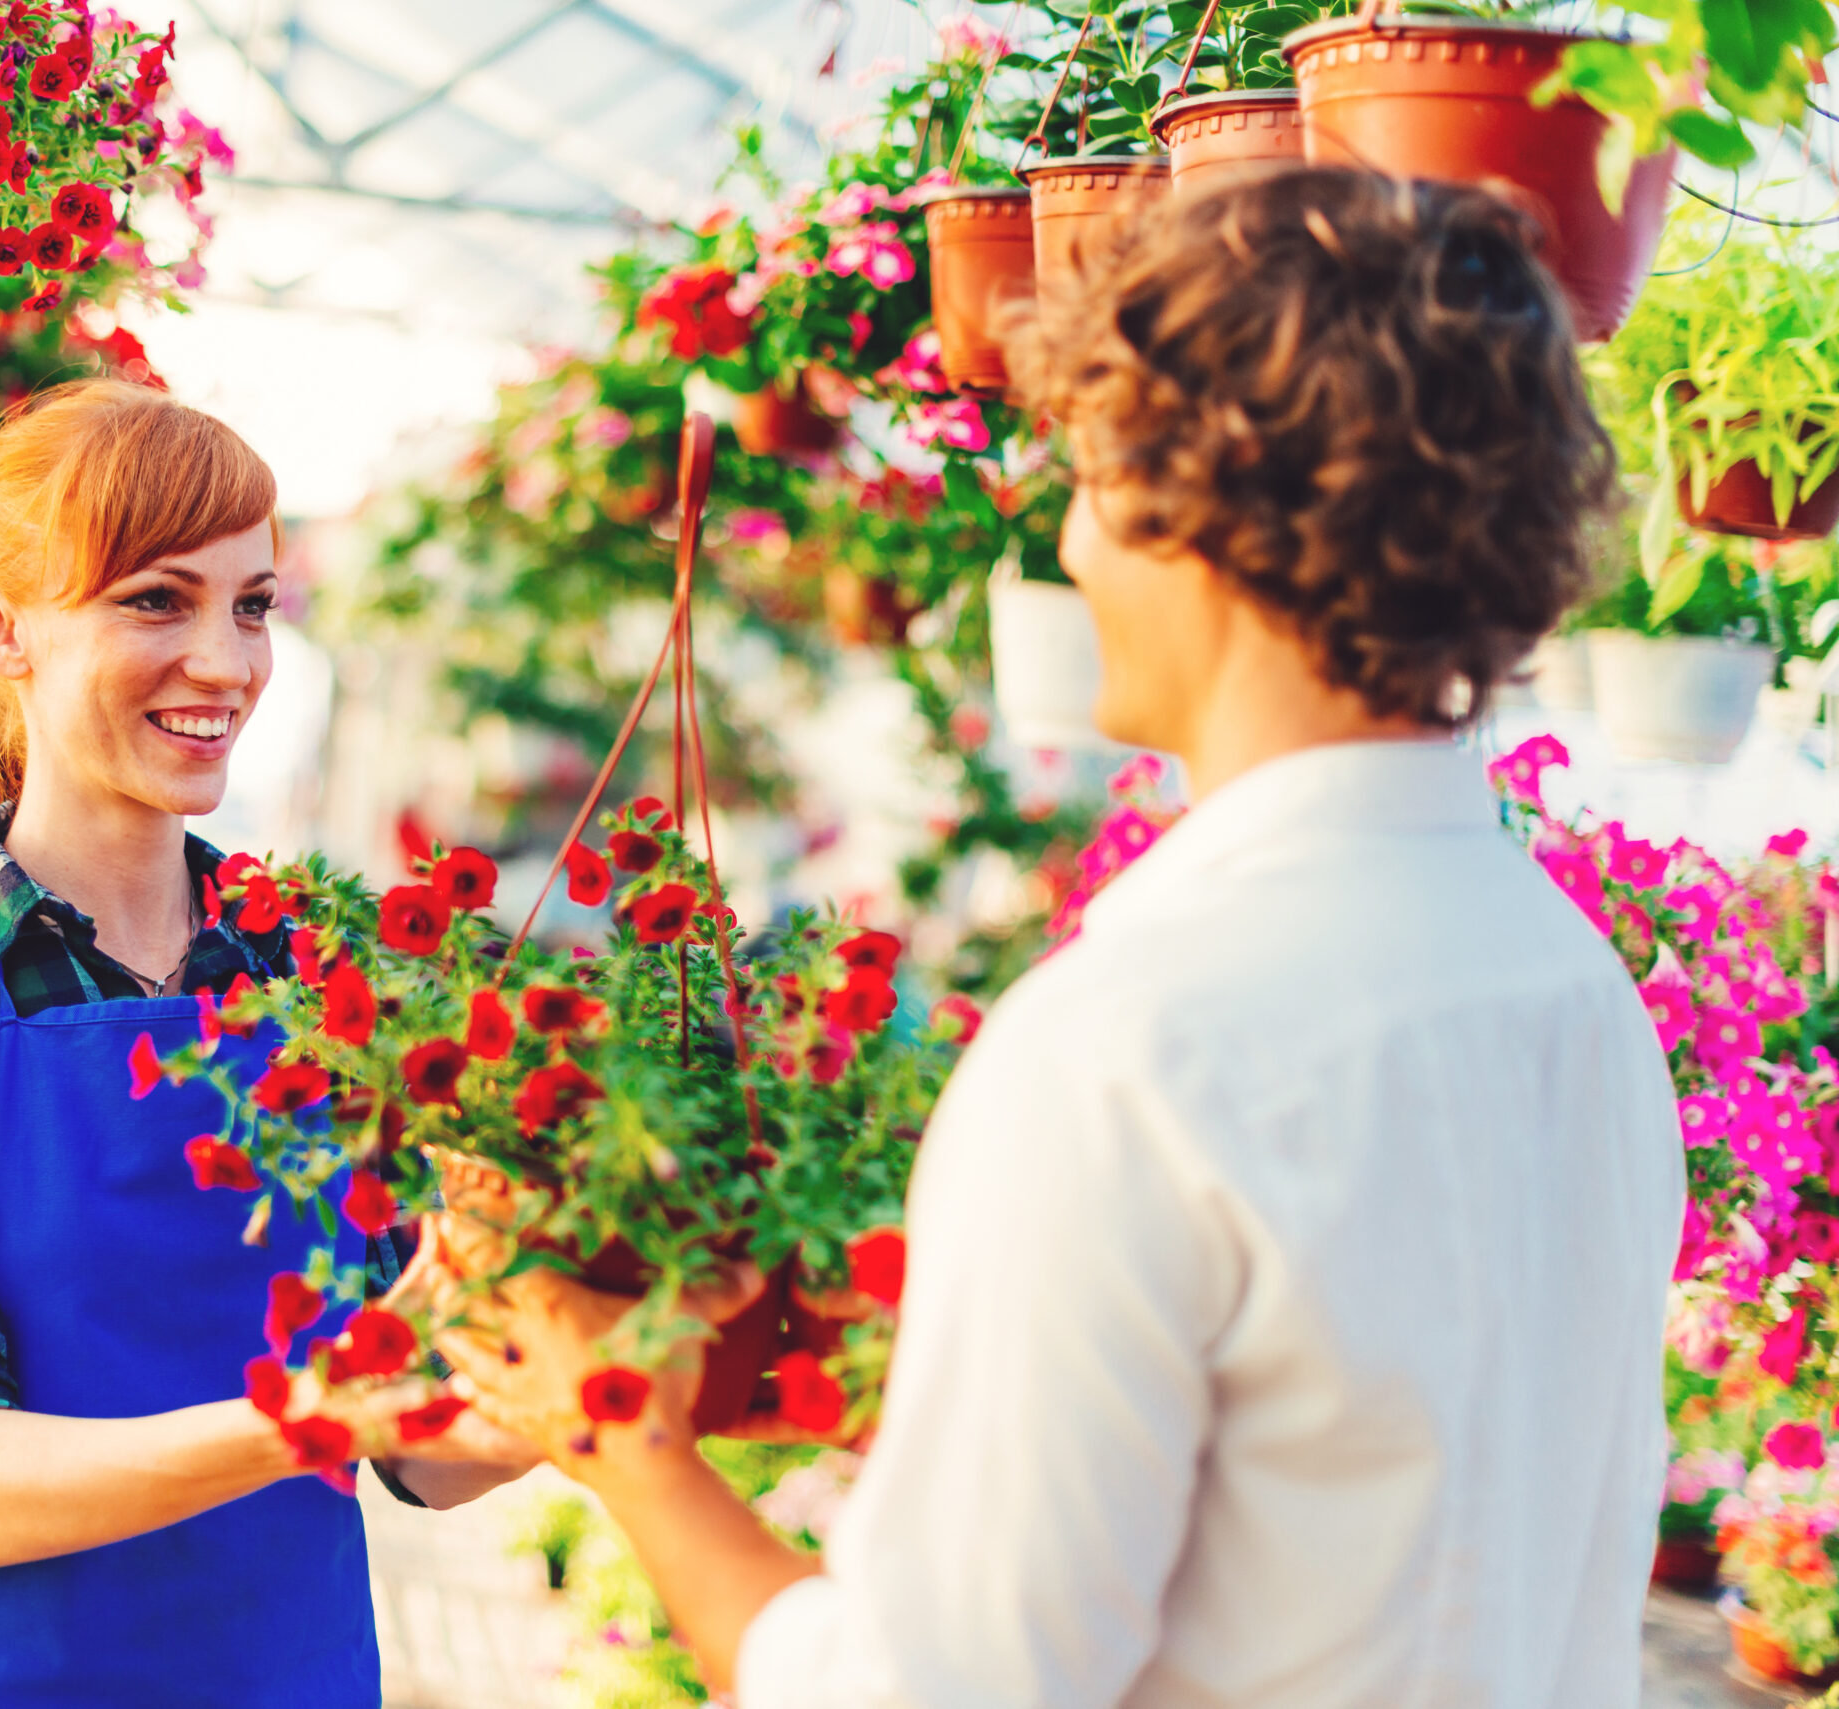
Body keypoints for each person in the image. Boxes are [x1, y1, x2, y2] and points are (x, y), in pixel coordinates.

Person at [431, 169, 1685, 1706]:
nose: (1073, 548)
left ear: (1201, 505)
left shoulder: (1136, 1043)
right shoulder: (1576, 988)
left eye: (1089, 475)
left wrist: (627, 1443)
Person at [0, 380, 531, 1708]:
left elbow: (426, 1445)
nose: (227, 664)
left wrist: (611, 1344)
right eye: (156, 601)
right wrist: (307, 1416)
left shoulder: (309, 970)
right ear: (3, 630)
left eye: (251, 604)